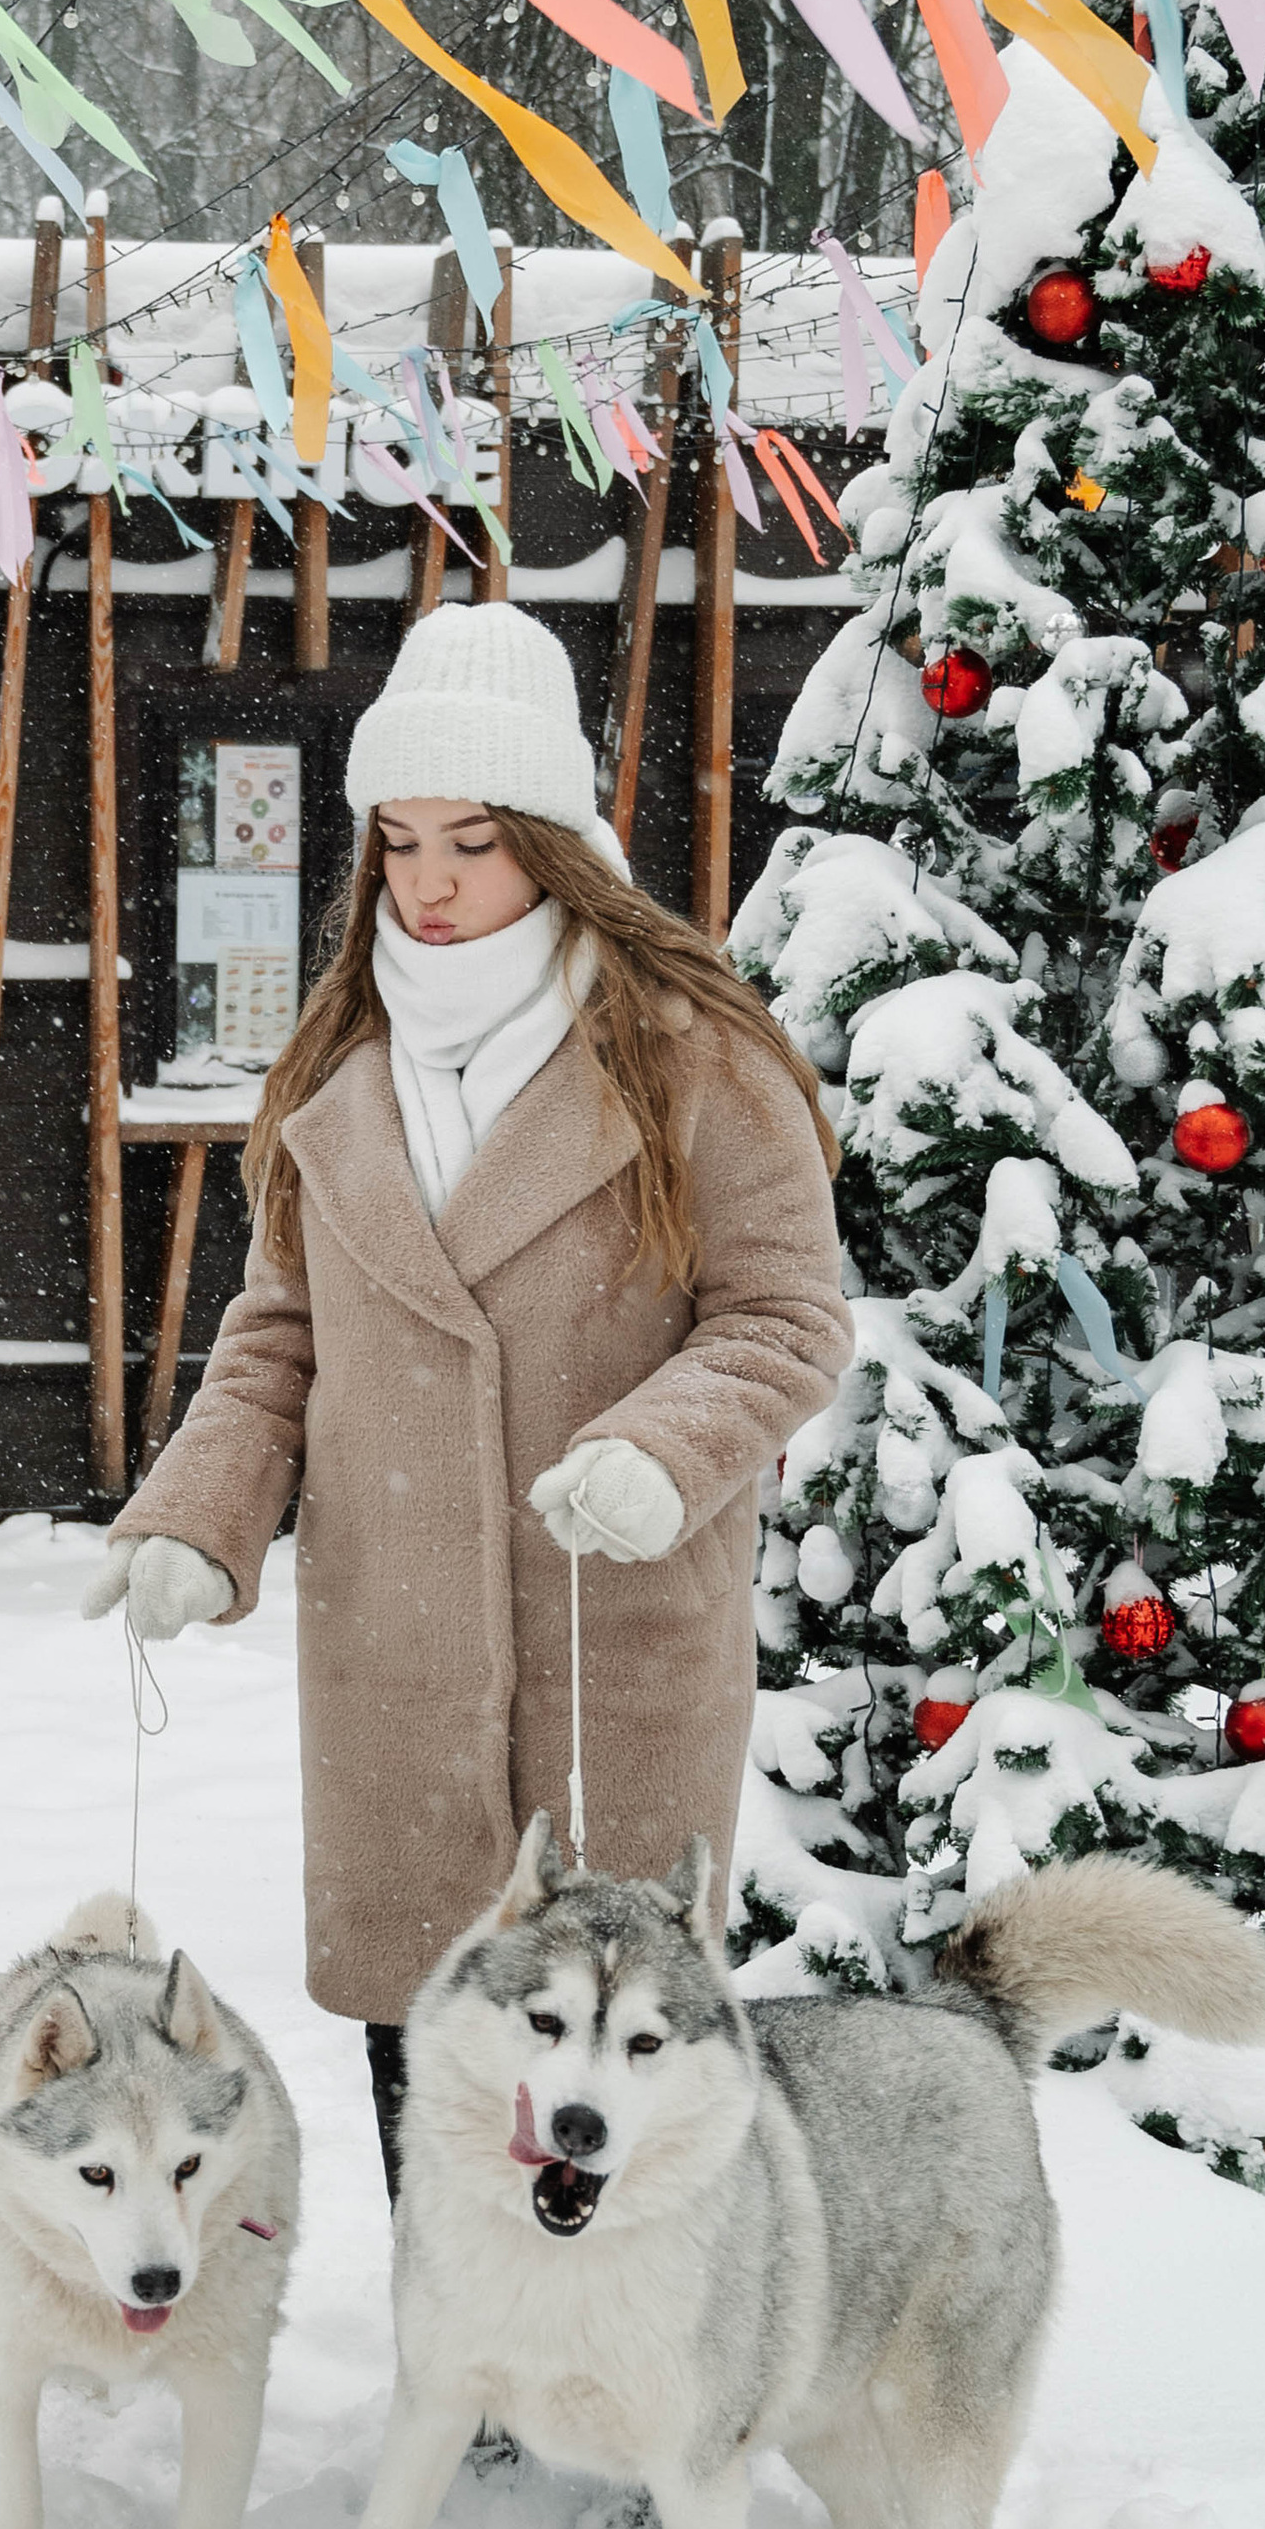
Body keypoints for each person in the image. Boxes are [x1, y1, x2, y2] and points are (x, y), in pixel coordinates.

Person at [85, 602, 850, 2198]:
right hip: (397, 1652)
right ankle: (453, 2347)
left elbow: (786, 1315)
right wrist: (200, 1520)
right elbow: (279, 1335)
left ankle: (635, 2343)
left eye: (473, 842)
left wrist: (665, 1446)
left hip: (615, 1643)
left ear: (553, 845)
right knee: (428, 2055)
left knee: (612, 2064)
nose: (427, 882)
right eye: (400, 839)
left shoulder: (694, 1058)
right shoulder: (338, 1068)